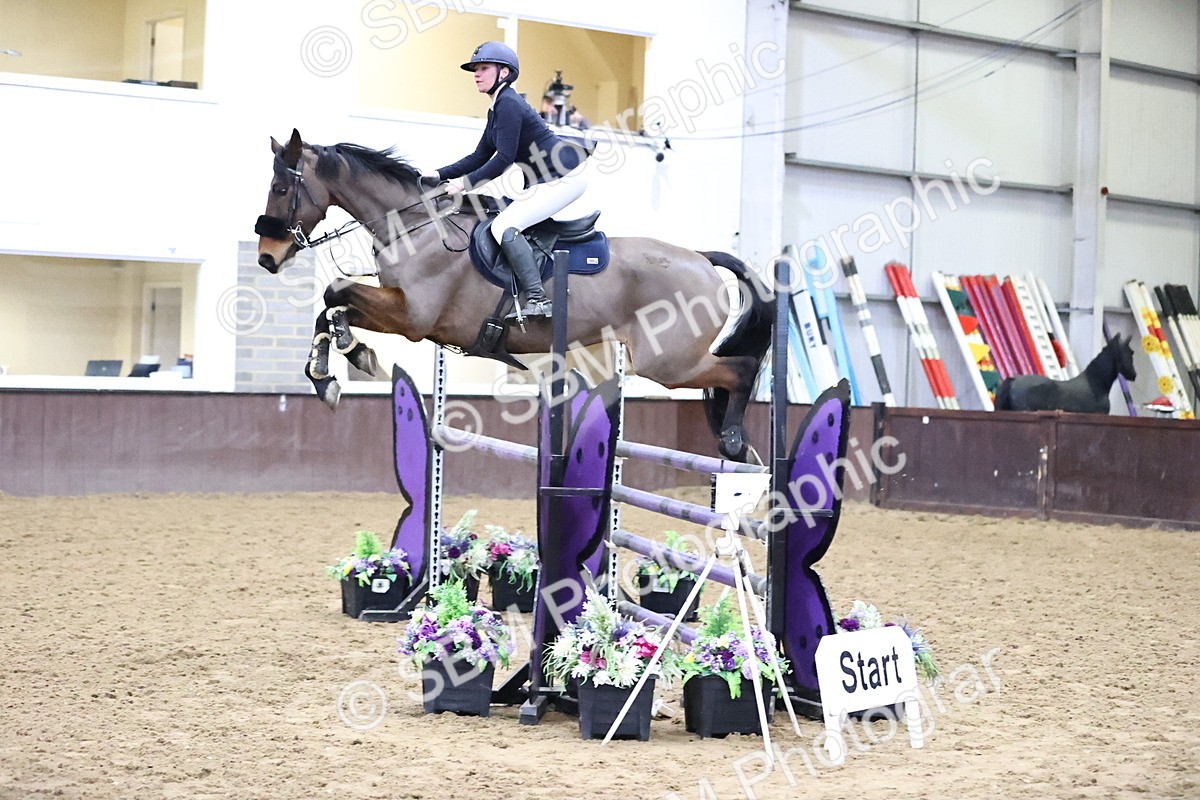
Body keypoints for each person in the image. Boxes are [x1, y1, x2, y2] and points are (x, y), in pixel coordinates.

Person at [423, 42, 589, 319]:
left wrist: (462, 185)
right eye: (475, 69)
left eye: (484, 68)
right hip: (546, 180)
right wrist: (439, 174)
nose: (477, 74)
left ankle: (538, 299)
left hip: (563, 179)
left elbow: (502, 160)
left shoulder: (509, 104)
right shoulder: (498, 107)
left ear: (504, 73)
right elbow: (479, 156)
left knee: (504, 227)